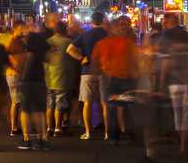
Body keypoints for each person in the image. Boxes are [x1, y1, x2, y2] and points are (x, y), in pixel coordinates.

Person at [91, 15, 141, 146]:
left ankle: (113, 136)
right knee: (127, 106)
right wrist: (137, 76)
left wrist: (95, 76)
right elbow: (133, 59)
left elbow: (94, 62)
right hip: (125, 78)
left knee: (112, 108)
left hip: (109, 78)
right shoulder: (126, 42)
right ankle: (130, 134)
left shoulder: (101, 43)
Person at [155, 13, 188, 155]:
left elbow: (165, 64)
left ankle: (182, 144)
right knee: (187, 115)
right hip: (187, 83)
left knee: (178, 116)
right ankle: (185, 144)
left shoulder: (170, 46)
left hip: (174, 83)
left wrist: (161, 84)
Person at [66, 11, 108, 140]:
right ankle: (107, 132)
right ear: (103, 21)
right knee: (105, 103)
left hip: (87, 71)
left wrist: (81, 58)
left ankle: (88, 131)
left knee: (87, 103)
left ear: (91, 21)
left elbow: (69, 49)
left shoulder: (85, 35)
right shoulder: (107, 35)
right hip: (104, 71)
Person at [16, 23, 52, 150]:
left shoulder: (31, 39)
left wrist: (23, 77)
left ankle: (26, 139)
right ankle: (42, 139)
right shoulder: (43, 40)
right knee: (40, 110)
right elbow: (48, 58)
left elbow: (29, 57)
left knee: (25, 110)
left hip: (28, 80)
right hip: (40, 79)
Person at [45, 21, 76, 137]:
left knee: (50, 104)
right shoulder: (69, 42)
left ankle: (49, 128)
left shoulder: (48, 42)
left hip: (49, 76)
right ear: (65, 30)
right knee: (60, 103)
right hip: (63, 77)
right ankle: (58, 128)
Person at [5, 20, 28, 136]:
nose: (23, 31)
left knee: (19, 101)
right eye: (21, 29)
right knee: (16, 101)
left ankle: (17, 125)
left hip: (19, 74)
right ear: (15, 30)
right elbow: (4, 57)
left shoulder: (20, 41)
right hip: (14, 75)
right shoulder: (11, 42)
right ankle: (14, 127)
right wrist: (13, 68)